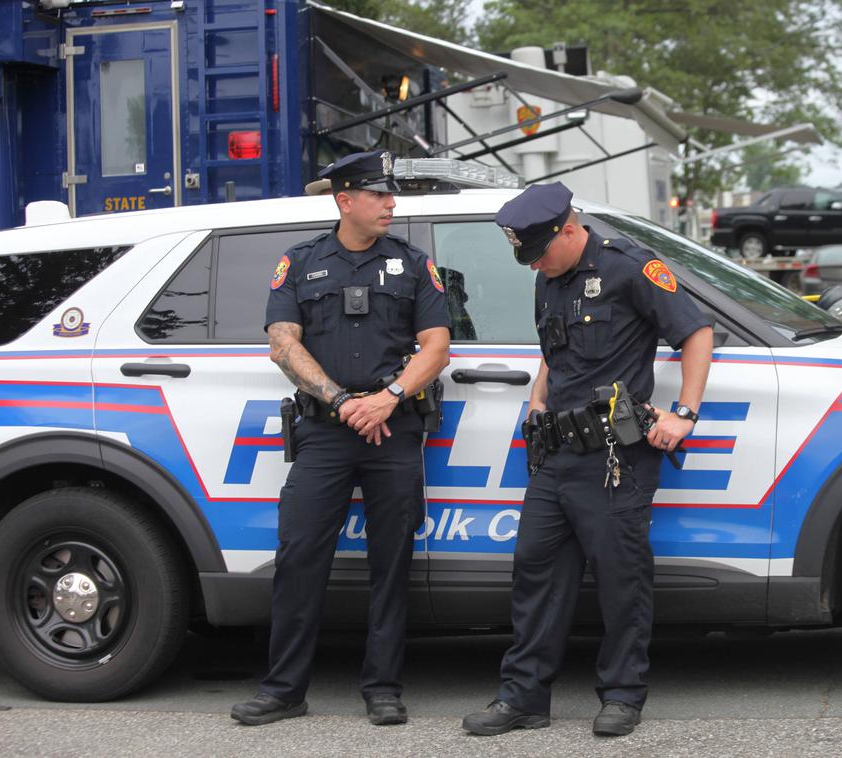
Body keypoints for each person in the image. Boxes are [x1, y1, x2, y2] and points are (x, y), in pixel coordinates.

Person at [462, 182, 713, 737]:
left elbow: (696, 334)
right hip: (556, 454)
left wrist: (684, 414)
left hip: (614, 455)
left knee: (621, 577)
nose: (534, 266)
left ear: (569, 230)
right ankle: (524, 697)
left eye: (539, 252)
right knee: (535, 573)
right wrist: (536, 397)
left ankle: (622, 694)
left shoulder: (630, 267)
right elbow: (557, 351)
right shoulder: (549, 277)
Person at [231, 150, 450, 727]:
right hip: (325, 434)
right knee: (300, 557)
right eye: (378, 194)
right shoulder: (300, 263)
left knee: (391, 562)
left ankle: (383, 687)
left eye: (390, 194)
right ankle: (283, 690)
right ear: (344, 200)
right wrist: (344, 402)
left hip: (394, 429)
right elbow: (283, 341)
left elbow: (437, 346)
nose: (390, 203)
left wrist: (389, 398)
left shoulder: (412, 264)